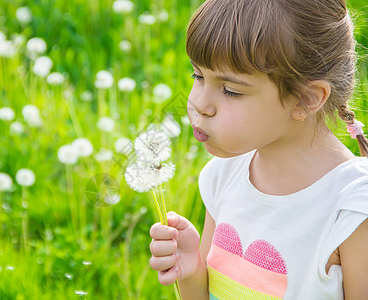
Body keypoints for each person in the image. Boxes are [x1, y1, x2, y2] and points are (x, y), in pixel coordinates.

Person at [149, 0, 368, 299]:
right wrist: (190, 271)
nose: (199, 103)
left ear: (305, 99)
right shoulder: (224, 174)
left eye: (231, 90)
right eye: (198, 76)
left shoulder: (352, 208)